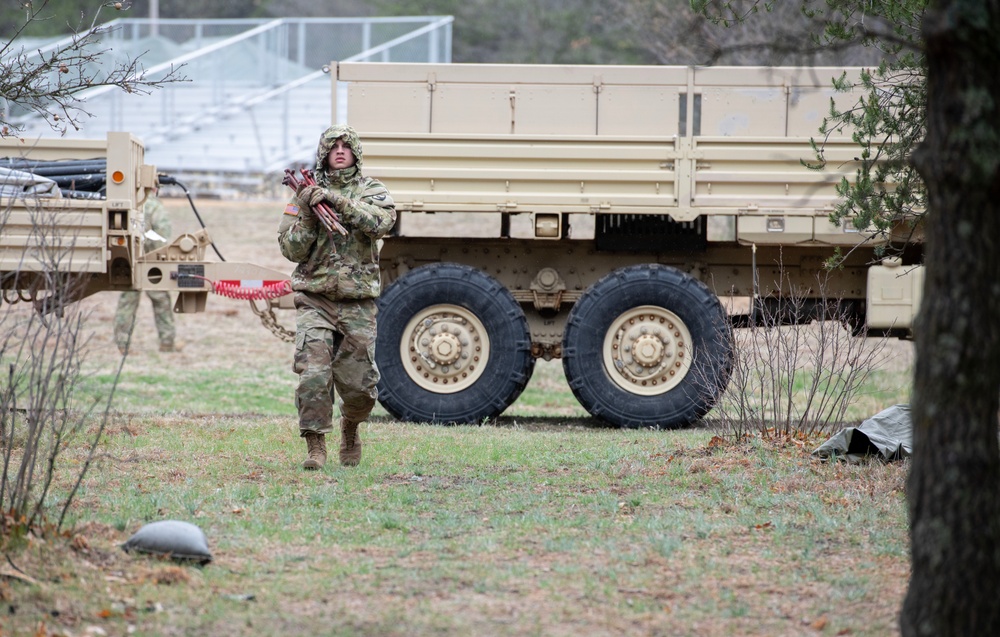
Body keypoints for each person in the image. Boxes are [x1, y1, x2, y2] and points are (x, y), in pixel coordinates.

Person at [278, 124, 397, 470]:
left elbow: (382, 223)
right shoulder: (304, 195)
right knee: (313, 374)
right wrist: (309, 216)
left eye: (347, 145)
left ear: (356, 153)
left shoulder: (372, 190)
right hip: (315, 299)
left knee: (360, 387)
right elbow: (289, 249)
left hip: (358, 302)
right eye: (334, 146)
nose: (340, 150)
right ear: (324, 153)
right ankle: (315, 446)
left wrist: (338, 202)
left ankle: (351, 426)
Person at [114, 192, 179, 354]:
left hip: (128, 260)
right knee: (161, 301)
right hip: (152, 264)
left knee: (127, 302)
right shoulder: (155, 207)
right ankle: (167, 342)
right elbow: (163, 236)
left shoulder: (127, 203)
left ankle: (122, 344)